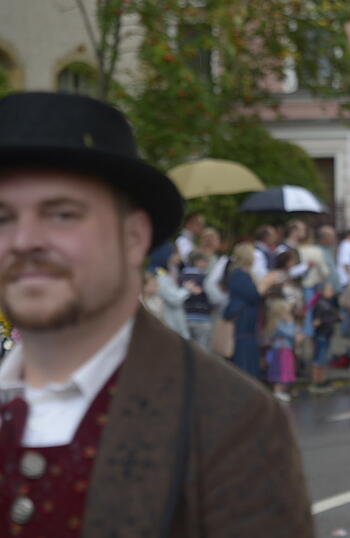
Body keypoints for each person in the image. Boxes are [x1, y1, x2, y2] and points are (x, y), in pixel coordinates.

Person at [0, 92, 312, 536]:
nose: (24, 240)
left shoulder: (231, 419)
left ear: (133, 237)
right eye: (2, 217)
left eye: (62, 214)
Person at [225, 242, 278, 379]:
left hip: (247, 319)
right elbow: (253, 295)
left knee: (249, 349)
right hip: (242, 319)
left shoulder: (243, 274)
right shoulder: (238, 274)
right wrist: (265, 283)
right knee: (244, 352)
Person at [147, 242, 193, 339]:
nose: (178, 257)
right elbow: (174, 298)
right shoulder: (160, 276)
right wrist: (187, 289)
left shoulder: (163, 273)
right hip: (170, 325)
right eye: (174, 254)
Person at [264, 298, 298, 403]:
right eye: (286, 312)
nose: (288, 314)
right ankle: (278, 392)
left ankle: (282, 391)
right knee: (280, 371)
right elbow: (291, 333)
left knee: (285, 370)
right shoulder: (279, 324)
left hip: (283, 350)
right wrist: (291, 322)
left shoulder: (278, 323)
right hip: (280, 351)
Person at [181, 250, 214, 349]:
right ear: (198, 262)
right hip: (202, 318)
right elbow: (215, 297)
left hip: (184, 318)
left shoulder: (180, 277)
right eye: (205, 261)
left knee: (186, 351)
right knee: (202, 352)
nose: (207, 264)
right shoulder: (205, 278)